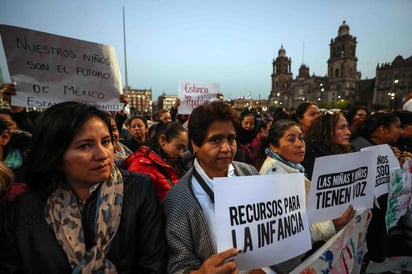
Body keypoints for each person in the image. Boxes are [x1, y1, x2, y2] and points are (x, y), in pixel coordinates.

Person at [0, 102, 167, 273]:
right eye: (85, 146)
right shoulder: (24, 210)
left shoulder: (139, 190)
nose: (103, 154)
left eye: (106, 141)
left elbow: (153, 264)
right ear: (54, 154)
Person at [163, 100, 259, 273]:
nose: (226, 148)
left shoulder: (250, 174)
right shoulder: (178, 200)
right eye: (216, 140)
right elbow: (178, 266)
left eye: (231, 138)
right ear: (195, 145)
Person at [257, 120, 354, 272]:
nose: (299, 144)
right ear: (273, 147)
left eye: (301, 138)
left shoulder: (291, 168)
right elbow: (289, 230)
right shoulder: (274, 176)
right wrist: (332, 224)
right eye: (291, 139)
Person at [349, 111, 405, 265]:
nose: (401, 131)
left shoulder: (387, 149)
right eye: (398, 127)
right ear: (382, 129)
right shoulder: (358, 149)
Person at [126, 121, 189, 201]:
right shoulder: (142, 167)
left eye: (183, 149)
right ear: (163, 140)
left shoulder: (166, 163)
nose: (181, 154)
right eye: (179, 147)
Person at [302, 111, 352, 180]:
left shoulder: (348, 150)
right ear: (326, 130)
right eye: (341, 128)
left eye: (347, 127)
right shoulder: (310, 154)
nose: (348, 132)